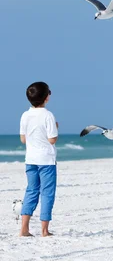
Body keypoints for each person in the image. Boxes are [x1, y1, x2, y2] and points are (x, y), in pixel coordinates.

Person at [19, 81, 58, 237]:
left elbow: (23, 139)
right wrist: (56, 127)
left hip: (30, 159)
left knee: (31, 191)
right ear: (46, 98)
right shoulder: (48, 115)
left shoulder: (25, 115)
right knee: (47, 193)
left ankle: (24, 229)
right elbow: (52, 140)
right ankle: (44, 230)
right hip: (46, 160)